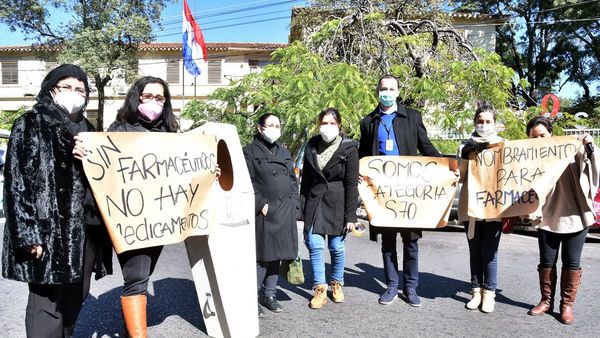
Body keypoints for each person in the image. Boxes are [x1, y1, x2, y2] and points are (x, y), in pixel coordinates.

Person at [2, 64, 112, 338]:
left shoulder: (90, 130)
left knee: (76, 298)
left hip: (84, 232)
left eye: (80, 89)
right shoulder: (30, 123)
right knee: (47, 304)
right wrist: (28, 235)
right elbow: (17, 183)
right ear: (51, 90)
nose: (74, 93)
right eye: (66, 87)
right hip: (47, 233)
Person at [98, 76, 179, 337]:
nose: (153, 101)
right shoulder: (119, 129)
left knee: (143, 273)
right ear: (137, 97)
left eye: (159, 97)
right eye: (148, 96)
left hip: (159, 219)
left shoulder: (170, 133)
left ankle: (130, 322)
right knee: (137, 276)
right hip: (129, 219)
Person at [358, 74, 440, 307]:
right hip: (382, 193)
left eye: (392, 88)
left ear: (398, 91)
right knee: (388, 241)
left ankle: (411, 288)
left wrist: (448, 166)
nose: (387, 92)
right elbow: (363, 156)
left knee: (411, 241)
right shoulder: (368, 122)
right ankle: (392, 286)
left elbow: (426, 147)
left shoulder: (412, 117)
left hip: (408, 191)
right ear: (378, 91)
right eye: (383, 88)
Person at [526, 116, 598, 324]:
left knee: (571, 263)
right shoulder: (527, 157)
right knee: (546, 262)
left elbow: (594, 166)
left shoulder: (571, 149)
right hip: (546, 217)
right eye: (533, 136)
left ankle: (566, 306)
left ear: (551, 133)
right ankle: (546, 301)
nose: (538, 139)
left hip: (574, 216)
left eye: (542, 135)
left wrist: (590, 145)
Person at [300, 108, 359, 309]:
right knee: (315, 245)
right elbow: (306, 180)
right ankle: (319, 289)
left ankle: (336, 283)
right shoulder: (311, 145)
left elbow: (352, 184)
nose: (327, 127)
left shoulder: (349, 147)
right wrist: (301, 208)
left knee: (336, 247)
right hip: (314, 203)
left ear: (339, 125)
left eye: (332, 123)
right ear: (318, 125)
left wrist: (351, 215)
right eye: (324, 123)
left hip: (339, 204)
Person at [243, 113, 299, 318]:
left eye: (277, 125)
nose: (274, 129)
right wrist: (261, 204)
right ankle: (251, 297)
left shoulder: (284, 151)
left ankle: (269, 294)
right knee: (262, 257)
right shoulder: (248, 152)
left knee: (278, 255)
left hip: (285, 210)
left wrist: (295, 204)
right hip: (264, 211)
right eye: (270, 125)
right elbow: (246, 182)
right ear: (260, 128)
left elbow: (293, 180)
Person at [457, 102, 504, 313]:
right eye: (480, 121)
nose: (483, 125)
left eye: (487, 122)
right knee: (474, 251)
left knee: (490, 252)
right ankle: (475, 291)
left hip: (494, 207)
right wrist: (464, 158)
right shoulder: (466, 146)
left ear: (494, 123)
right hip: (472, 207)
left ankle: (489, 293)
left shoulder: (502, 145)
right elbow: (461, 177)